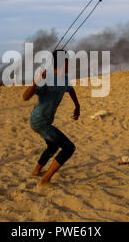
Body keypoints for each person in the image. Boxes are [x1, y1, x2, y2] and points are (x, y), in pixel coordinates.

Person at [23, 50, 80, 187]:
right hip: (39, 122)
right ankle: (45, 180)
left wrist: (77, 105)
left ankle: (37, 171)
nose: (70, 65)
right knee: (68, 148)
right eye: (68, 62)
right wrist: (35, 82)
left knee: (53, 146)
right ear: (63, 63)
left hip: (45, 121)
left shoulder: (64, 79)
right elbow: (25, 97)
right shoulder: (46, 78)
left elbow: (70, 89)